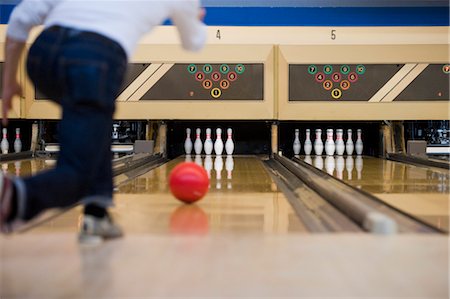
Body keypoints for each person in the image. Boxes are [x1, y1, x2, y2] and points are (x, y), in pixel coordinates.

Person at [0, 0, 207, 242]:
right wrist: (197, 21)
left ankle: (96, 214)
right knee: (77, 173)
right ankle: (13, 196)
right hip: (94, 59)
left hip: (42, 56)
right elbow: (193, 43)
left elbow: (18, 22)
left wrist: (9, 82)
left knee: (95, 128)